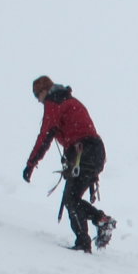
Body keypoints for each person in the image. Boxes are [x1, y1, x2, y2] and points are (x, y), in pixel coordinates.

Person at [22, 76, 117, 253]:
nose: (38, 100)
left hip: (84, 152)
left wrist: (31, 164)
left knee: (71, 200)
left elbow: (45, 136)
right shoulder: (68, 99)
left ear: (44, 91)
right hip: (95, 152)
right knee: (73, 199)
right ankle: (101, 221)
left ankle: (83, 243)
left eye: (37, 95)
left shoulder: (54, 102)